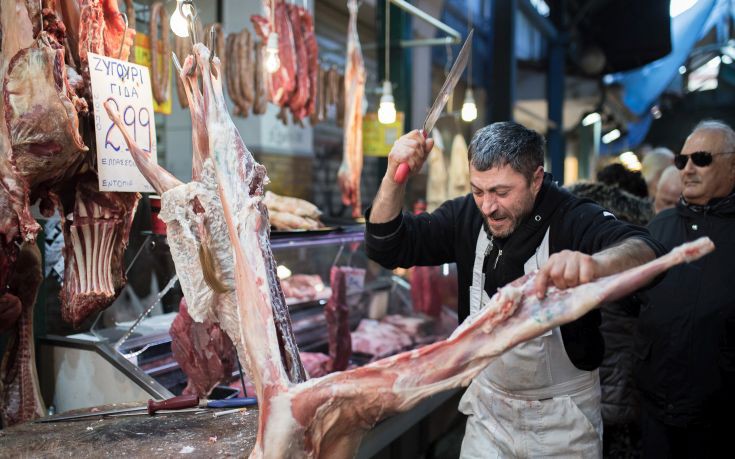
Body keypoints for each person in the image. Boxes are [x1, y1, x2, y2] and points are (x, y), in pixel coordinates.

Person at [365, 122, 665, 458]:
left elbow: (644, 247)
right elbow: (387, 247)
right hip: (488, 414)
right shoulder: (467, 216)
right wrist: (394, 175)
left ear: (536, 180)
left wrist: (596, 265)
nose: (488, 206)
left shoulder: (572, 217)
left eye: (501, 192)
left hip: (561, 423)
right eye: (479, 191)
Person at [634, 120, 735, 458]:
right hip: (655, 412)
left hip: (718, 418)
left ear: (732, 165)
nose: (688, 169)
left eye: (702, 159)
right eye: (682, 160)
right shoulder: (660, 226)